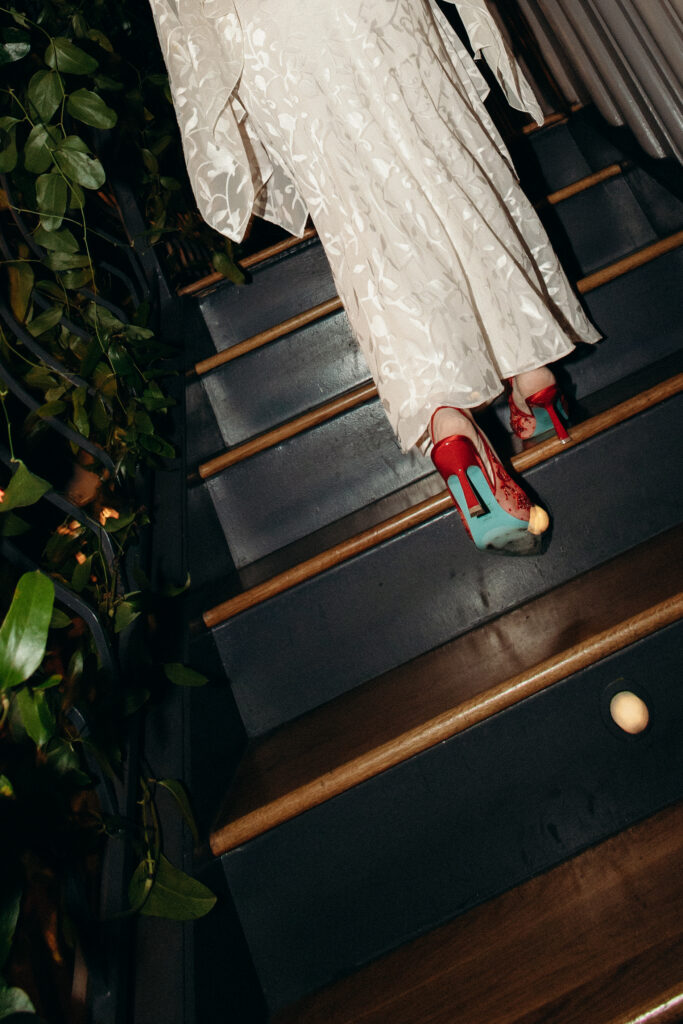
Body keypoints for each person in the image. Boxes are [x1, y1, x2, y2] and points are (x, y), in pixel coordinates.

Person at [149, 0, 601, 554]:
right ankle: (531, 365)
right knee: (443, 144)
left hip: (271, 30)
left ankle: (444, 417)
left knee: (361, 216)